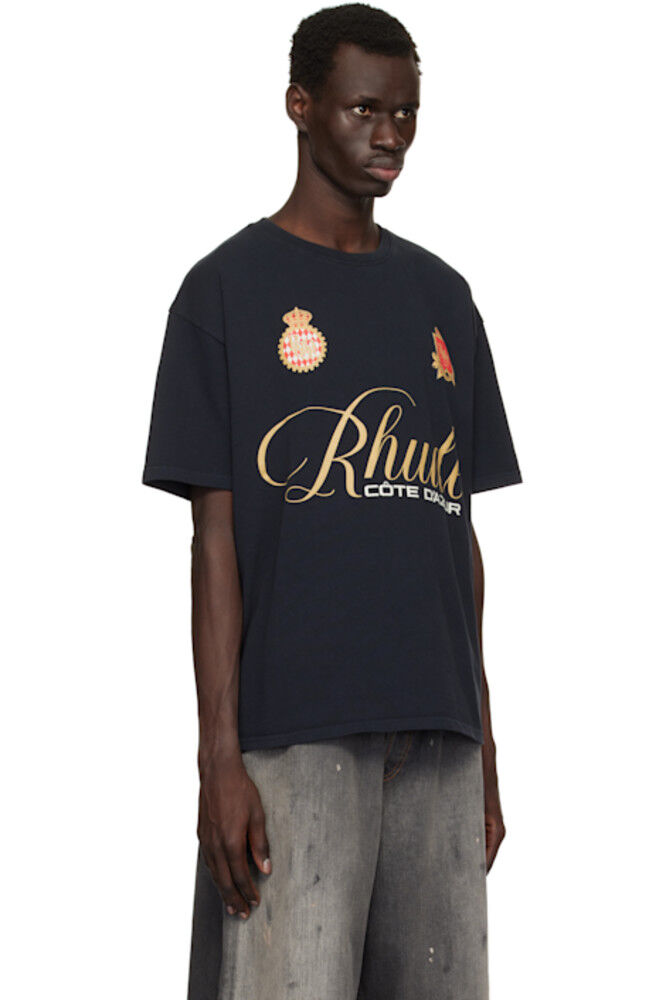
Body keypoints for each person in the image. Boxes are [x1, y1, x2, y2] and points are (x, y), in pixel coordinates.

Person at [141, 4, 523, 998]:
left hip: (438, 736)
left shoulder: (445, 299)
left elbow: (459, 533)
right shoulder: (225, 293)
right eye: (364, 109)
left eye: (406, 112)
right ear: (300, 106)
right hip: (294, 734)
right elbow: (213, 540)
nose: (390, 134)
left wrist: (484, 740)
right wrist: (218, 760)